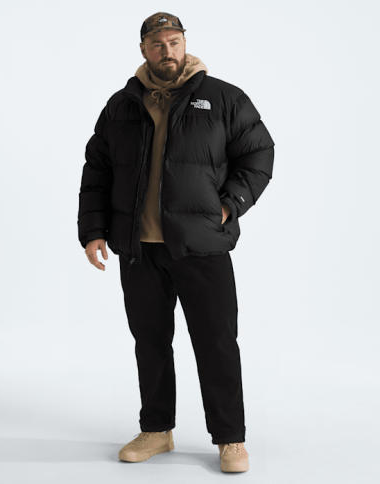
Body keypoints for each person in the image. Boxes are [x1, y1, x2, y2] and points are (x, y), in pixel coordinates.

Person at [77, 11, 275, 473]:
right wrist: (93, 230)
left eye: (174, 41)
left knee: (216, 342)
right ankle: (156, 430)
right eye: (157, 44)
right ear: (143, 50)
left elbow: (259, 153)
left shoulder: (223, 98)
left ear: (185, 43)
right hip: (139, 249)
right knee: (149, 342)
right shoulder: (121, 105)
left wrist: (228, 205)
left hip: (201, 246)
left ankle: (230, 438)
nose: (167, 51)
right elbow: (97, 169)